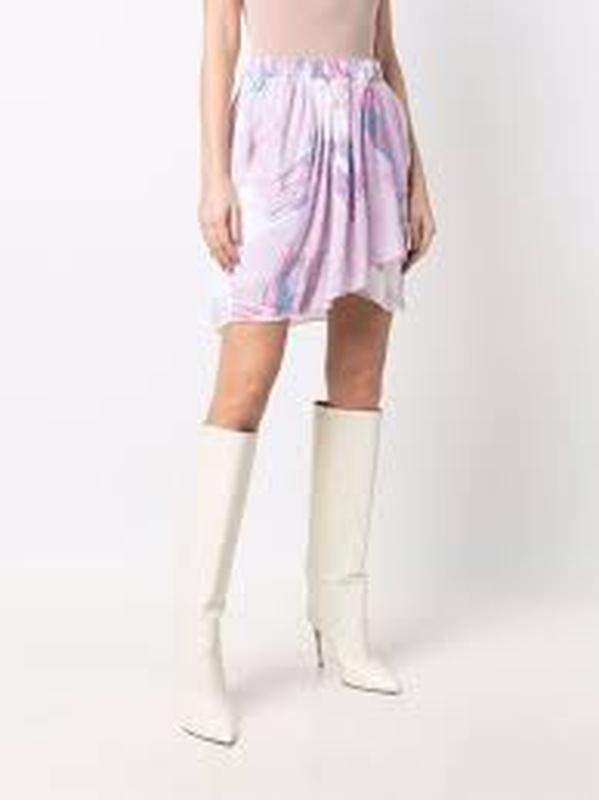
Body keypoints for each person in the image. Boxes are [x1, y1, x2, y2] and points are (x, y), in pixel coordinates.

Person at [178, 0, 436, 746]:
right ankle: (199, 645)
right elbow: (219, 46)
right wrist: (214, 179)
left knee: (360, 377)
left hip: (370, 137)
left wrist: (416, 176)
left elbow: (384, 48)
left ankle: (339, 617)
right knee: (244, 384)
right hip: (277, 138)